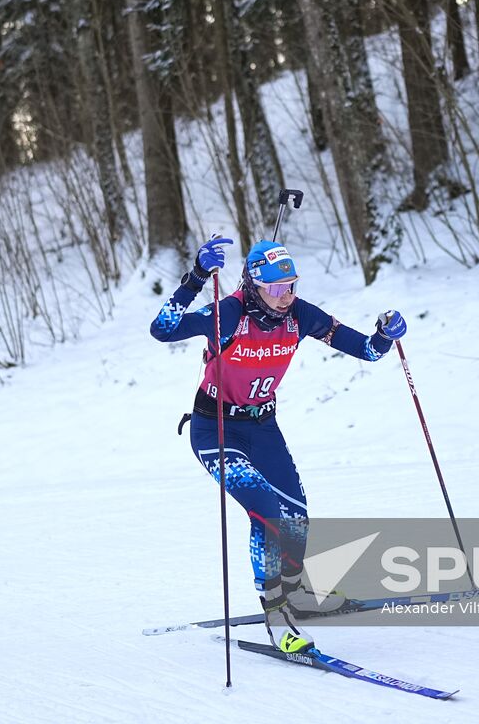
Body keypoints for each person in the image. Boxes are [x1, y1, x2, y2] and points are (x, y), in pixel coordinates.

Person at [150, 234, 407, 653]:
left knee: (297, 517)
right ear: (254, 285)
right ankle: (276, 614)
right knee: (265, 512)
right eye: (275, 287)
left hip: (263, 426)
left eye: (291, 285)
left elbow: (365, 350)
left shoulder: (299, 316)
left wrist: (385, 335)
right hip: (214, 428)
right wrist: (197, 275)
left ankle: (296, 593)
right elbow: (162, 330)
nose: (286, 296)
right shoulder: (228, 313)